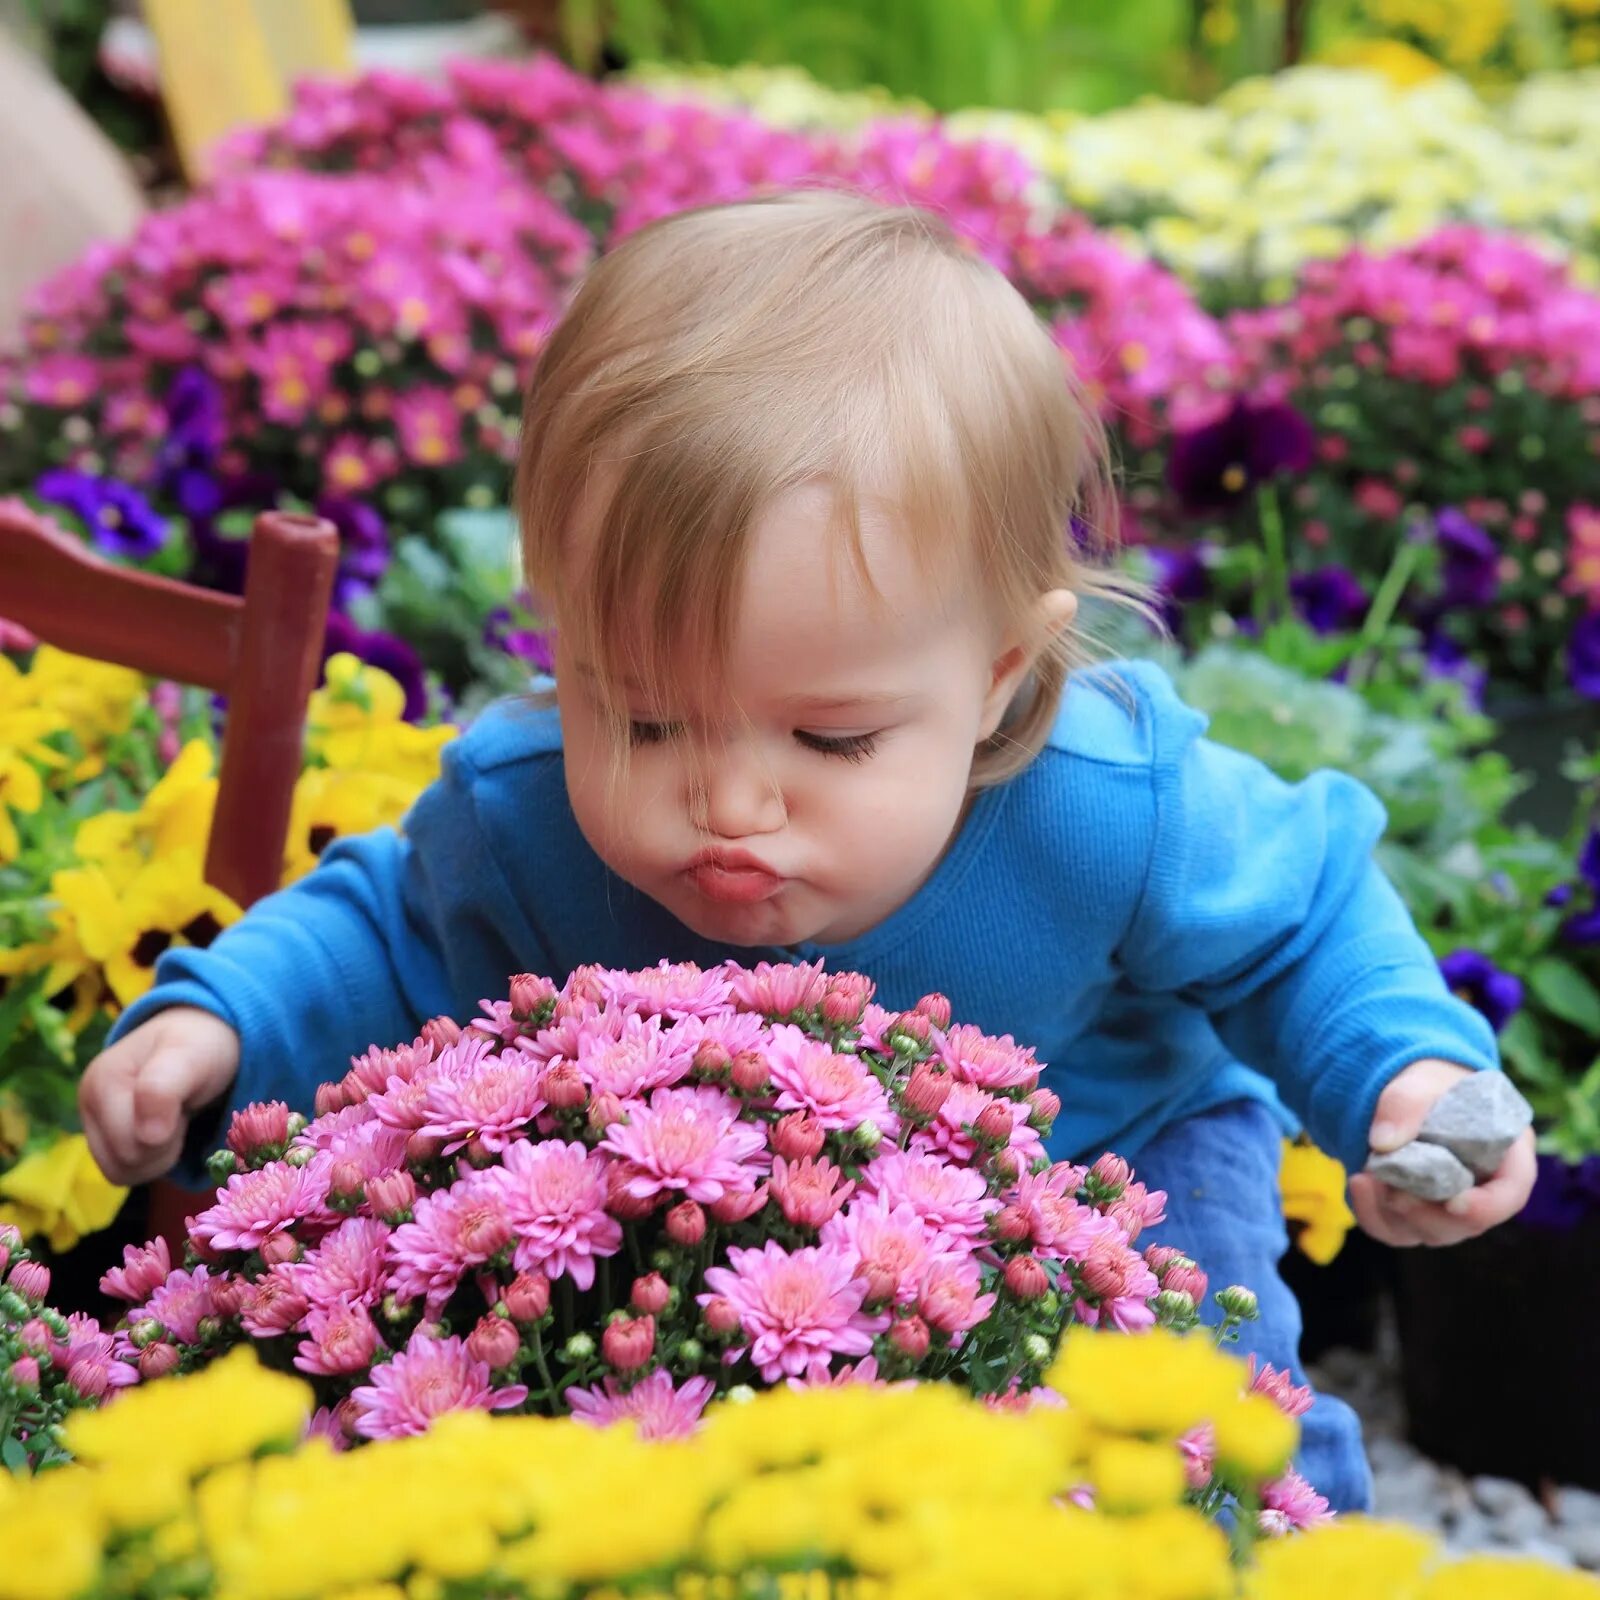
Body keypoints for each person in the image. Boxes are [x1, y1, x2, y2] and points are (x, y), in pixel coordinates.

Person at [79, 190, 1533, 1510]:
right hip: (747, 1220)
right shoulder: (522, 813)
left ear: (1002, 676)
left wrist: (1408, 1077)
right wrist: (221, 1024)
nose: (730, 806)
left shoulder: (1105, 803)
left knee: (1199, 1429)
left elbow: (1304, 917)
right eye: (644, 720)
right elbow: (386, 926)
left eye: (830, 742)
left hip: (1110, 1172)